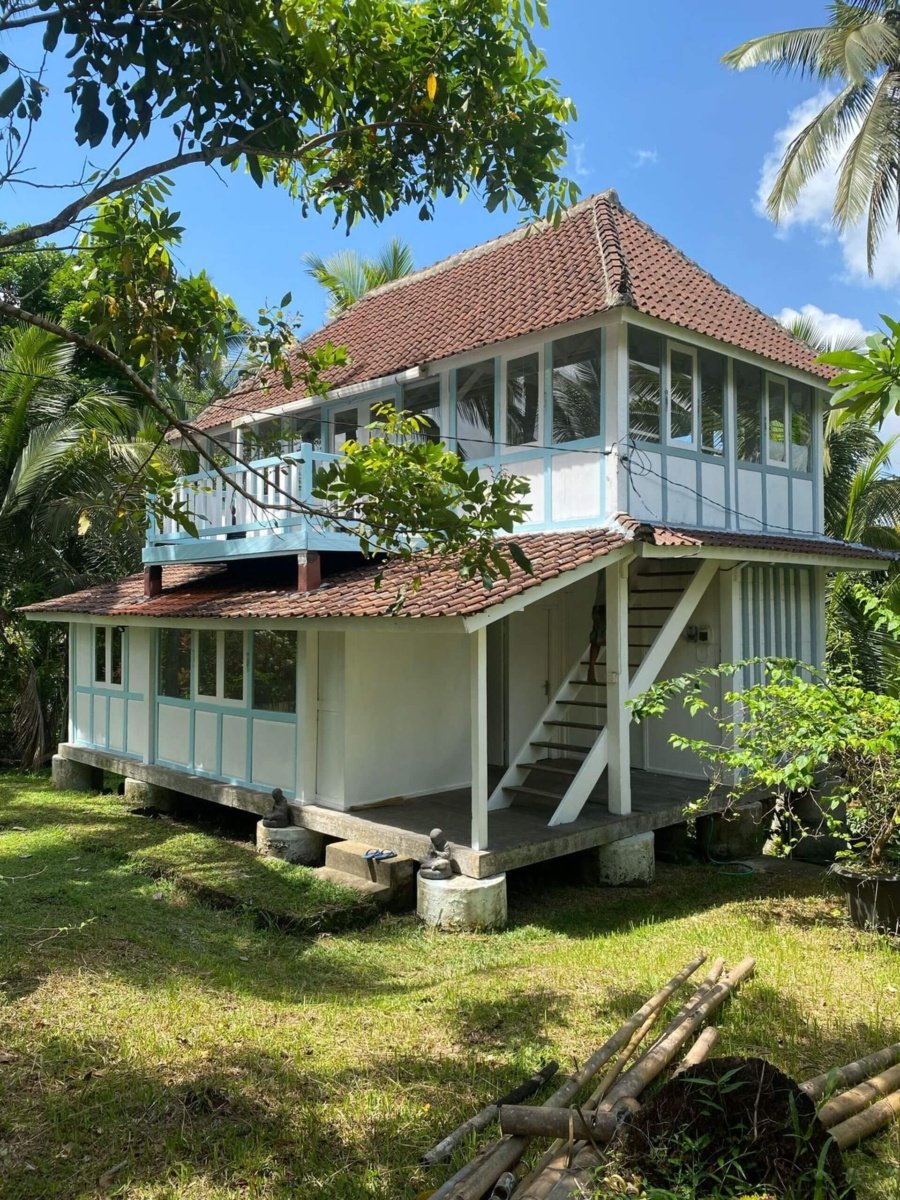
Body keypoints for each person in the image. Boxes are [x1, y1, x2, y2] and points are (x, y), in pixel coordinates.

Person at [586, 577, 606, 686]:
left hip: (599, 605)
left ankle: (591, 669)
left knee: (596, 639)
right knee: (598, 639)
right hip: (604, 605)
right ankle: (591, 669)